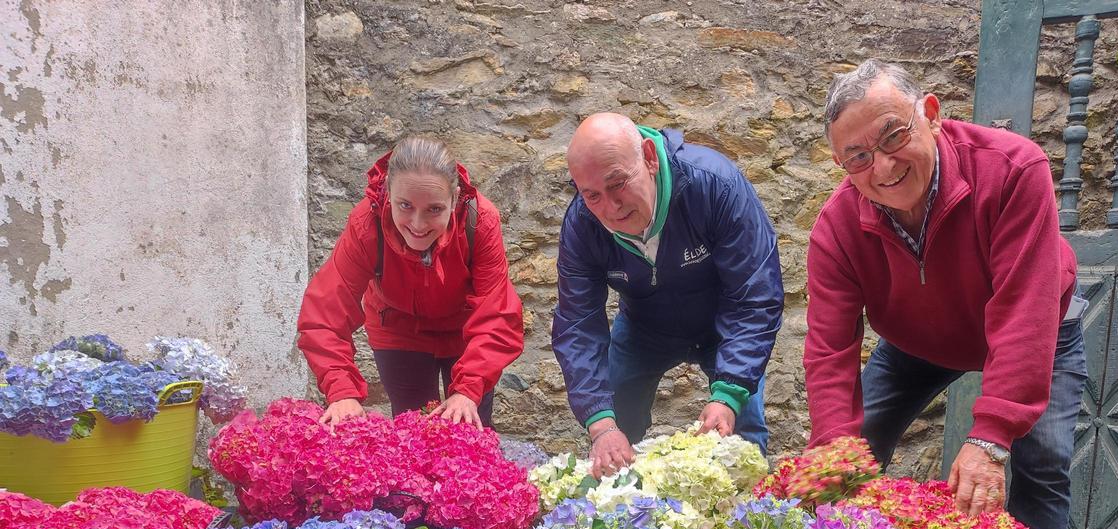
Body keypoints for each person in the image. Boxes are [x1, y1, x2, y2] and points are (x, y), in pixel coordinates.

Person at [804, 60, 1088, 529]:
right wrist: (833, 450)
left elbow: (1025, 311)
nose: (883, 167)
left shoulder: (1012, 168)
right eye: (858, 158)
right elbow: (829, 350)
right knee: (848, 453)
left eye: (894, 135)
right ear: (840, 164)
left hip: (1040, 323)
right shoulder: (836, 228)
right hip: (918, 341)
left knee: (1043, 461)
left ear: (931, 114)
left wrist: (992, 437)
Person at [553, 112, 784, 476]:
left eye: (618, 184)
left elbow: (754, 293)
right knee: (614, 428)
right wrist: (601, 426)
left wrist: (729, 394)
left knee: (740, 435)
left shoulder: (714, 185)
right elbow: (578, 325)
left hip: (724, 325)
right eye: (592, 195)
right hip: (644, 327)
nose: (611, 208)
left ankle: (746, 519)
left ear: (648, 157)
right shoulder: (582, 225)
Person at [298, 136, 524, 430]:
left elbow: (497, 312)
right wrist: (341, 392)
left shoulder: (480, 221)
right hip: (398, 331)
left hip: (466, 334)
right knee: (411, 431)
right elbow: (324, 312)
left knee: (470, 427)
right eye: (405, 205)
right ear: (389, 192)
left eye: (434, 209)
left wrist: (468, 390)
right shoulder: (366, 224)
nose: (417, 225)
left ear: (454, 199)